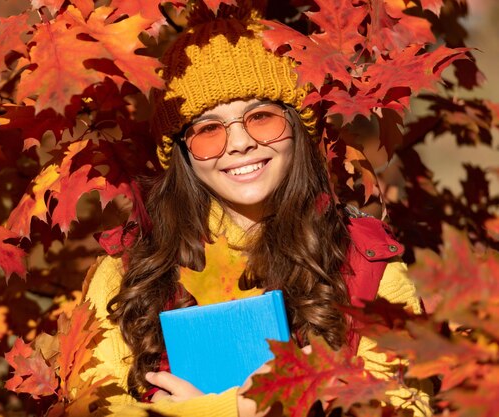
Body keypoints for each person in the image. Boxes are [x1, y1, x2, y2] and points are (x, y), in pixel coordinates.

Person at [83, 4, 430, 416]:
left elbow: (404, 406)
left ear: (297, 129)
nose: (240, 144)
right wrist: (229, 411)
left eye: (261, 118)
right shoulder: (132, 270)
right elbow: (91, 406)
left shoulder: (364, 260)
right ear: (180, 153)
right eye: (208, 130)